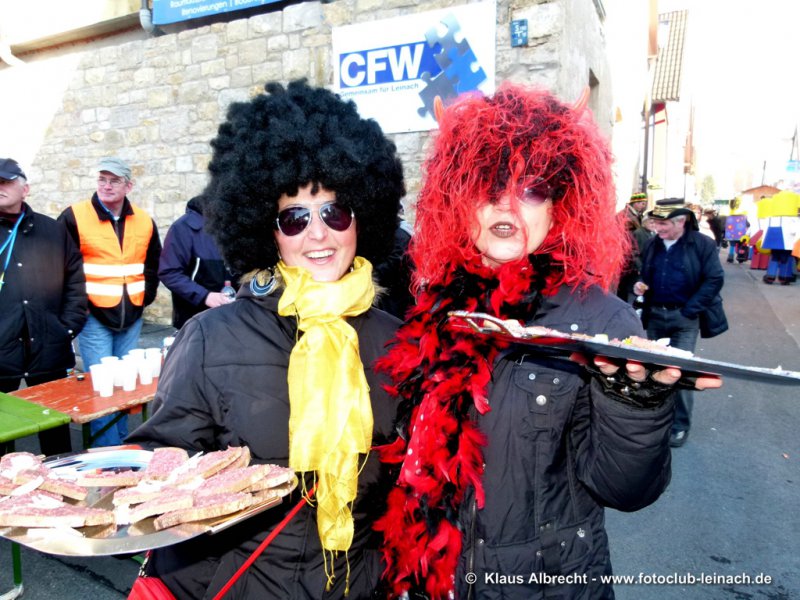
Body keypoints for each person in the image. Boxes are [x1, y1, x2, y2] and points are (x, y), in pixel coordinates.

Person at [373, 84, 722, 600]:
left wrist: (636, 403)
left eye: (532, 188)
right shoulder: (434, 308)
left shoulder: (600, 319)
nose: (506, 203)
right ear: (459, 200)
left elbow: (627, 490)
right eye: (487, 184)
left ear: (560, 205)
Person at [127, 80, 406, 598]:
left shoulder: (398, 343)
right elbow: (160, 466)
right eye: (295, 218)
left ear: (361, 217)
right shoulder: (210, 339)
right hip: (240, 584)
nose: (318, 234)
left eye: (335, 212)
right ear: (269, 232)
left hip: (359, 585)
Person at [58, 157, 162, 447]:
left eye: (114, 180)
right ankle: (108, 453)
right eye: (102, 179)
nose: (106, 185)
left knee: (126, 388)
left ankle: (121, 444)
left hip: (132, 314)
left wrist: (145, 298)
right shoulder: (75, 216)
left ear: (128, 186)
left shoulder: (143, 220)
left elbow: (153, 262)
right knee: (102, 387)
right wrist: (79, 307)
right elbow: (62, 264)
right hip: (93, 316)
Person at [0, 158, 87, 455]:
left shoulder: (53, 230)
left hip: (49, 346)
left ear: (25, 189)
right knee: (2, 430)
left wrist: (66, 328)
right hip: (1, 351)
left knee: (55, 429)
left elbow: (76, 281)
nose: (0, 187)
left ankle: (60, 477)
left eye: (6, 182)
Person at [634, 202, 728, 448]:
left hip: (684, 318)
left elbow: (714, 279)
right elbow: (644, 274)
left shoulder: (702, 244)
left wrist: (690, 310)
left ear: (680, 222)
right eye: (655, 223)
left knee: (679, 371)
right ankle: (655, 421)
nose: (657, 228)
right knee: (653, 371)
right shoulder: (653, 244)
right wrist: (640, 284)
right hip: (655, 315)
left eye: (663, 223)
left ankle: (679, 425)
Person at [158, 195, 236, 329]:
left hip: (232, 319)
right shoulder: (182, 228)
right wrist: (204, 296)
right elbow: (169, 272)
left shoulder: (237, 225)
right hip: (194, 321)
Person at [616, 192, 651, 303]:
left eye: (644, 203)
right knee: (624, 283)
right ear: (635, 203)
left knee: (628, 283)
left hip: (630, 253)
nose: (643, 206)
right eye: (642, 203)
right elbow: (622, 235)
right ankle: (621, 304)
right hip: (626, 254)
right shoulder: (625, 215)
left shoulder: (635, 215)